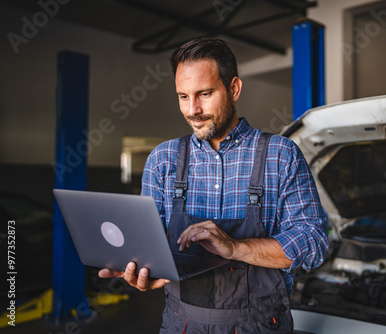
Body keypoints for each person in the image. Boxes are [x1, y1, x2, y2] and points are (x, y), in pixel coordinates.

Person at [99, 37, 329, 333]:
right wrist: (145, 271)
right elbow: (149, 243)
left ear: (233, 88)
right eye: (183, 96)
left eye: (204, 94)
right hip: (181, 325)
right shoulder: (163, 159)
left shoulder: (280, 155)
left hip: (259, 326)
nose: (192, 109)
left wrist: (235, 247)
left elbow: (314, 243)